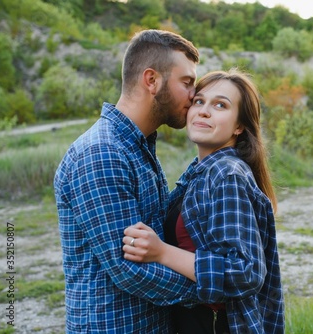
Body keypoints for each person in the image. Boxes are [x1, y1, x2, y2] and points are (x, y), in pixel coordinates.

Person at [53, 29, 201, 333]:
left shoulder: (137, 145)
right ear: (151, 80)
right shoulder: (102, 152)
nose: (194, 95)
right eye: (186, 82)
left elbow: (157, 231)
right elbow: (129, 270)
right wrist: (212, 291)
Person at [122, 69, 285, 333]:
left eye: (220, 105)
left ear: (239, 126)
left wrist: (162, 252)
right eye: (199, 101)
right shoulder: (200, 170)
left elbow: (246, 273)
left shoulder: (227, 174)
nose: (204, 111)